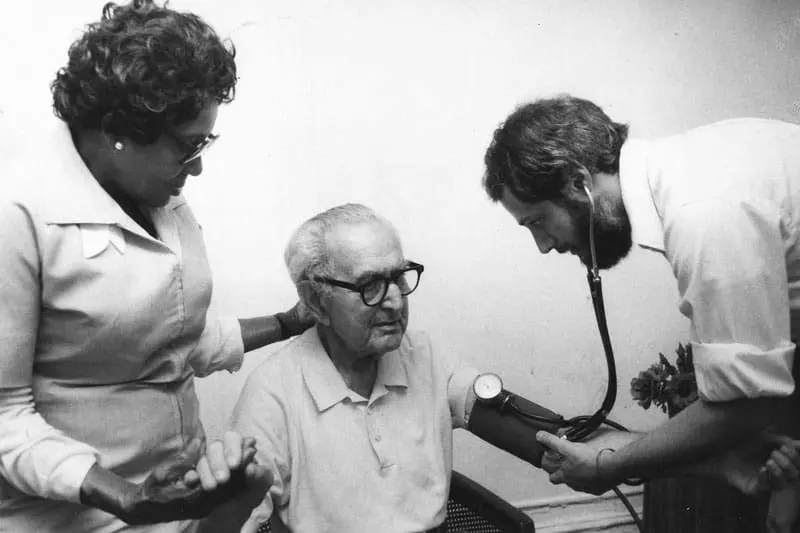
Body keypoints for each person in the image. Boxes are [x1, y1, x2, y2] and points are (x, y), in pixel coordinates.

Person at [0, 1, 312, 531]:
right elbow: (4, 416)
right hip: (73, 512)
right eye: (190, 145)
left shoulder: (154, 189)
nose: (199, 164)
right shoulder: (18, 215)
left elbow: (172, 336)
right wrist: (127, 498)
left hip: (173, 494)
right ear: (118, 130)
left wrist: (288, 323)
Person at [482, 94, 800, 528]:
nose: (544, 245)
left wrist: (609, 467)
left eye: (537, 221)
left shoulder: (702, 212)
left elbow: (744, 402)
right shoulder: (693, 172)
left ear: (579, 184)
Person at [198, 203, 481, 533]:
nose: (395, 301)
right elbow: (234, 519)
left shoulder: (424, 353)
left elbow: (490, 404)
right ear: (317, 302)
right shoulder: (273, 391)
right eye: (370, 286)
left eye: (399, 277)